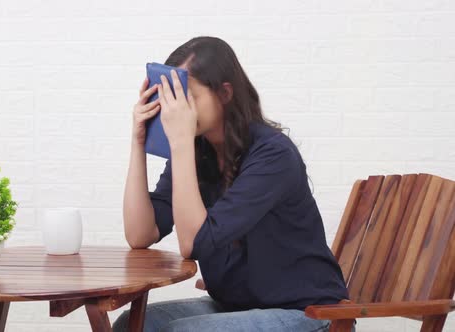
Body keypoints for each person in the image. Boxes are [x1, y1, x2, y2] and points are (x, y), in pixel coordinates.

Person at [114, 36, 353, 332]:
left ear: (224, 93)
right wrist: (139, 142)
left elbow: (192, 244)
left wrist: (179, 143)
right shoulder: (196, 152)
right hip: (238, 307)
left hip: (309, 313)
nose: (176, 110)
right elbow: (140, 234)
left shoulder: (273, 155)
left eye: (187, 97)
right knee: (131, 325)